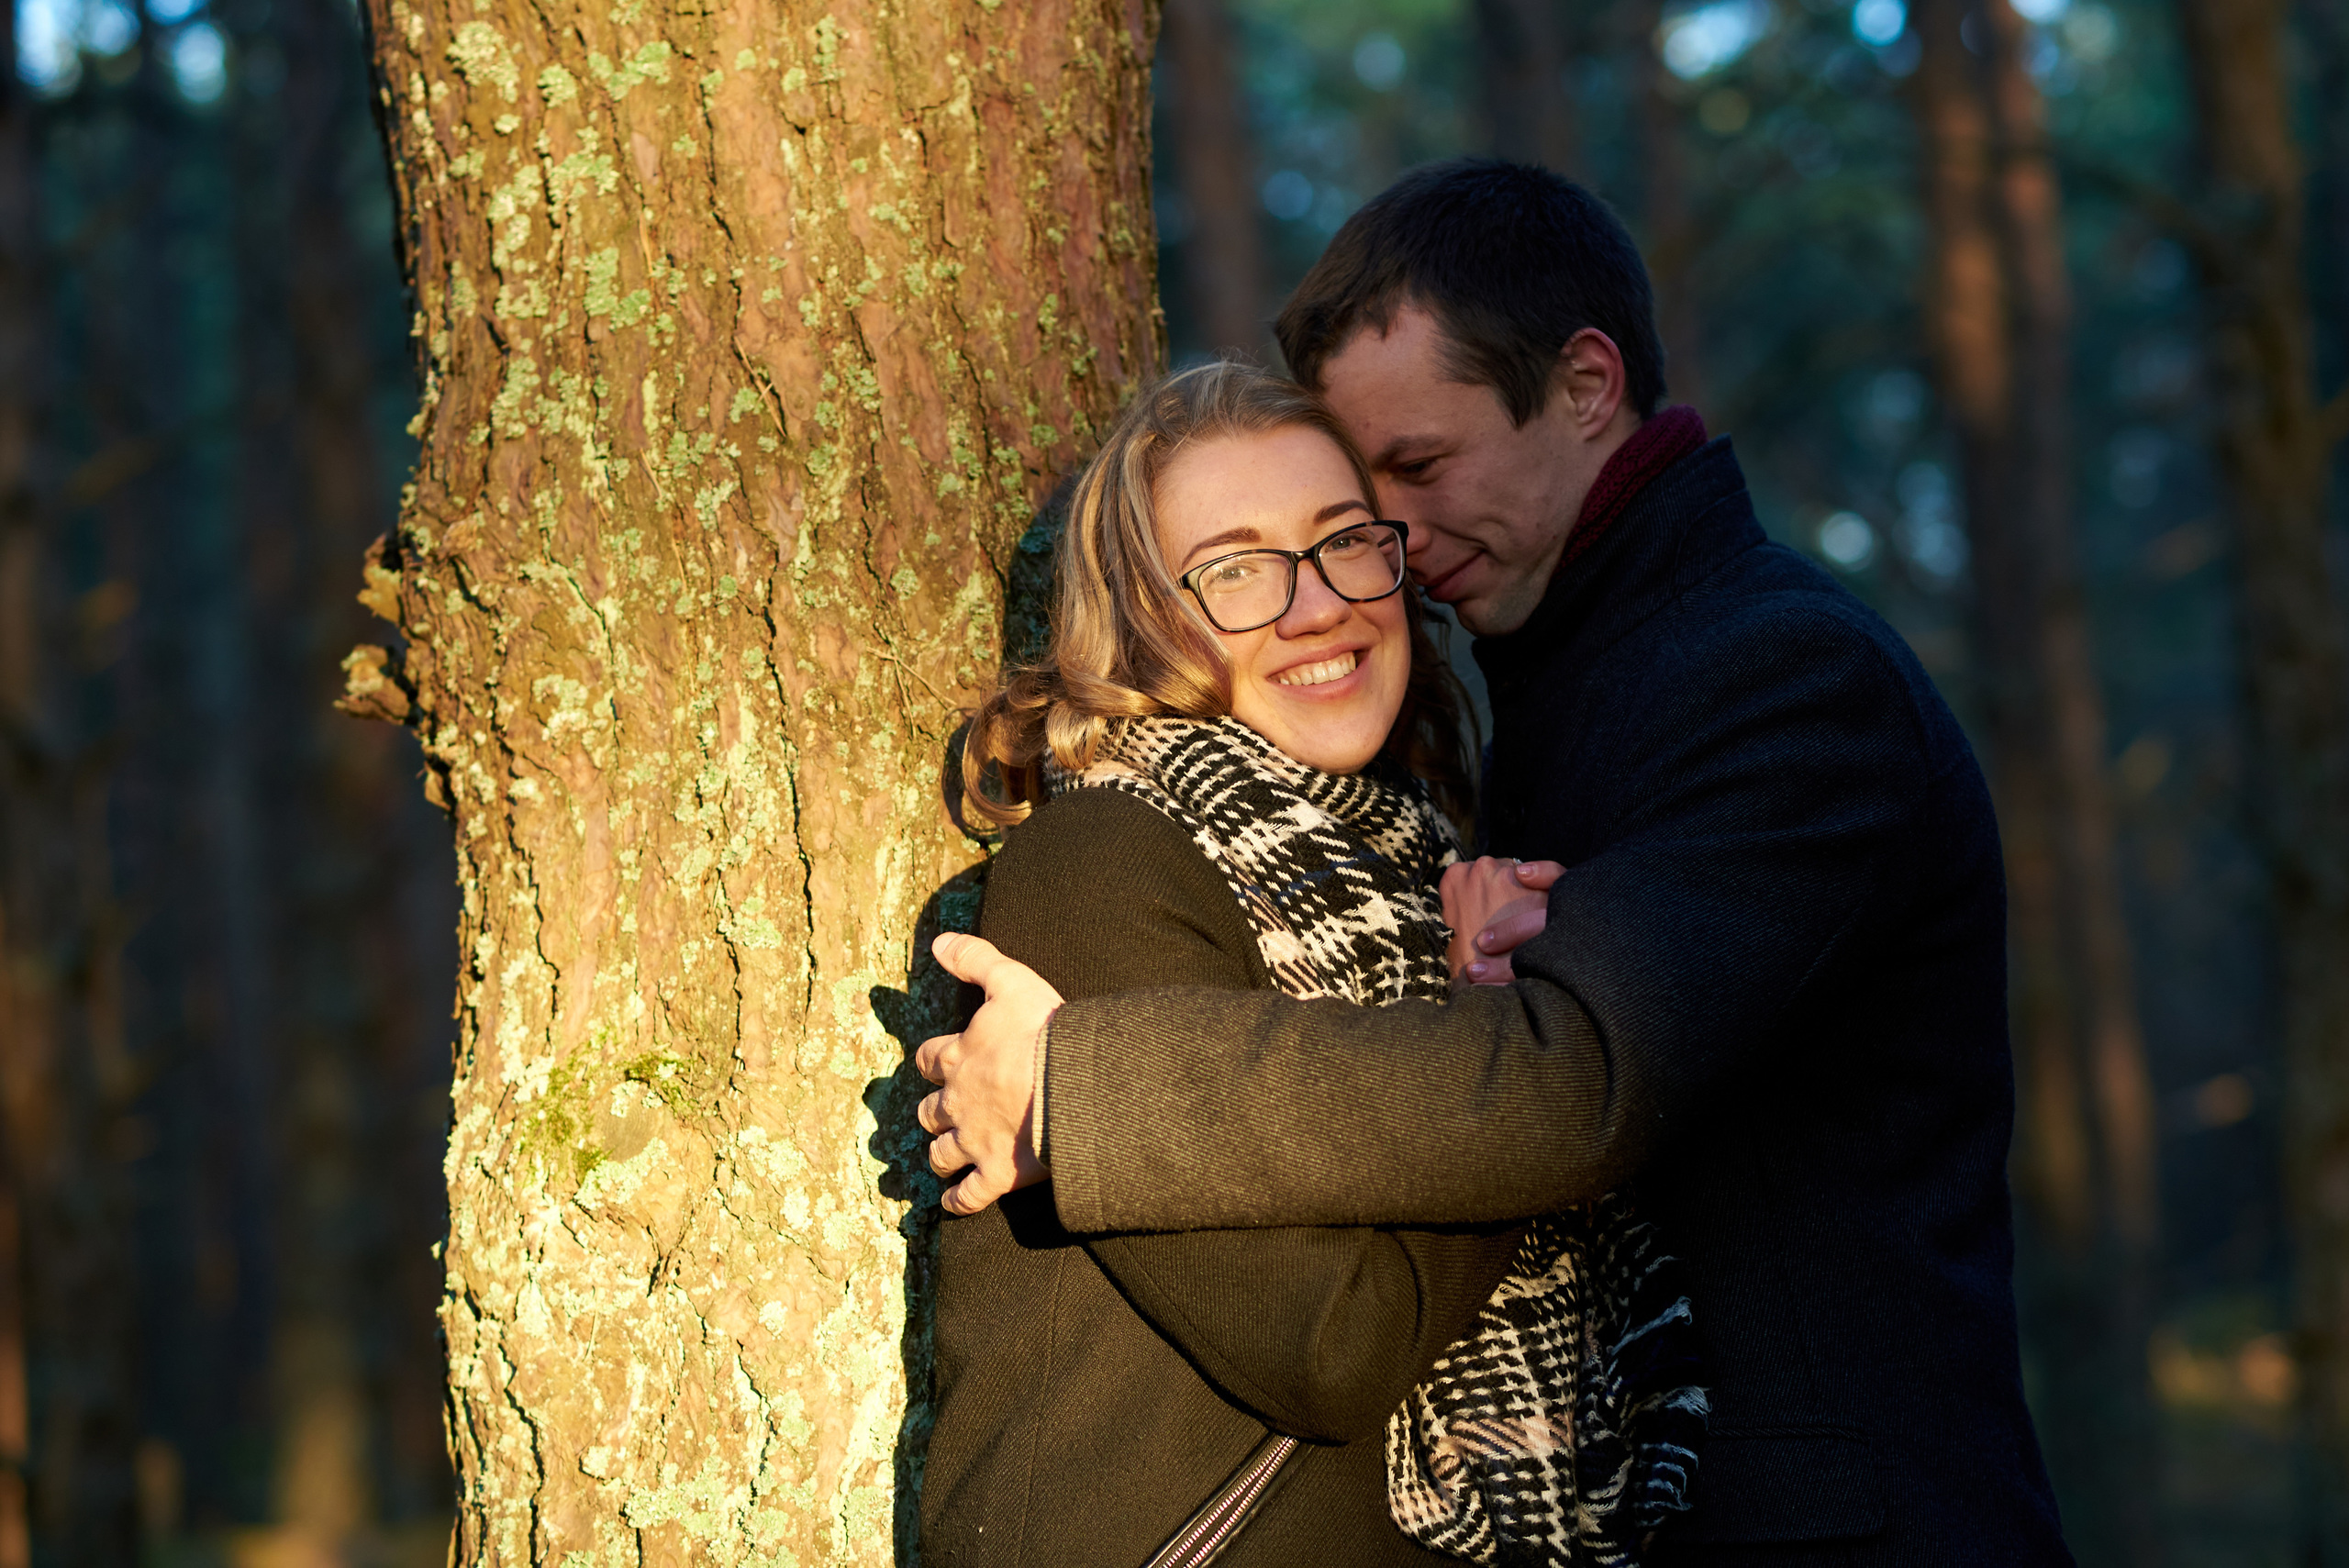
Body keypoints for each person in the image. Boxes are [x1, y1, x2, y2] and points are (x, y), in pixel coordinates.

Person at [917, 161, 2074, 1564]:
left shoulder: (1777, 676)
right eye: (1249, 560)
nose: (1383, 550)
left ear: (1585, 385)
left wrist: (1086, 1088)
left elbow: (1572, 1075)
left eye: (1402, 480)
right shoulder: (1524, 702)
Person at [923, 361, 1703, 1567]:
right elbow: (1339, 1344)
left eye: (1344, 543)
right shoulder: (1105, 856)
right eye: (1236, 571)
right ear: (1144, 621)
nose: (1318, 604)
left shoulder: (1412, 860)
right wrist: (1490, 1024)